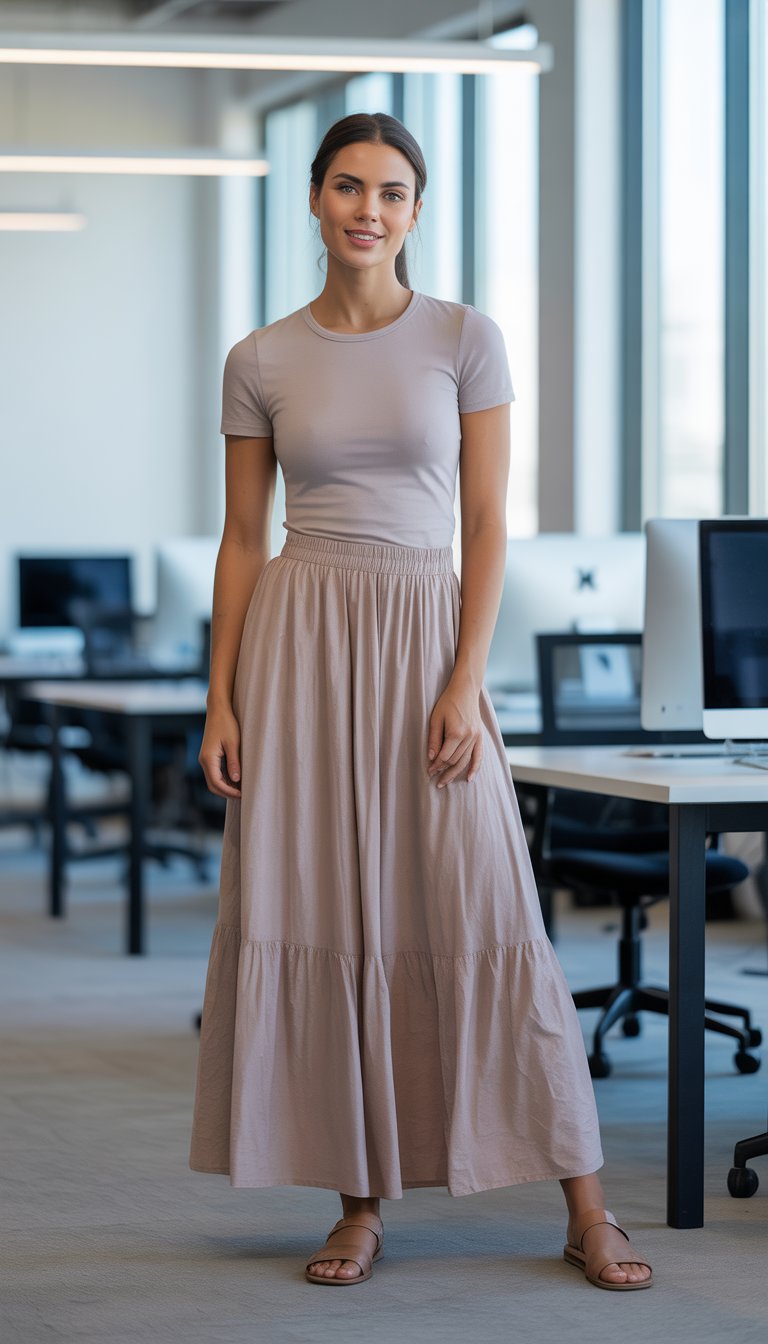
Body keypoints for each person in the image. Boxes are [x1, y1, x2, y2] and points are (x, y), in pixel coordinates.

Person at [189, 112, 653, 1293]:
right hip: (300, 642)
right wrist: (221, 699)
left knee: (488, 904)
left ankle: (585, 1204)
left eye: (393, 192)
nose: (369, 209)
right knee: (334, 911)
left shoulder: (465, 338)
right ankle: (360, 1206)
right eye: (349, 187)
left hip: (422, 634)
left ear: (416, 209)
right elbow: (243, 541)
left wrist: (465, 677)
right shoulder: (261, 357)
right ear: (313, 197)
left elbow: (490, 523)